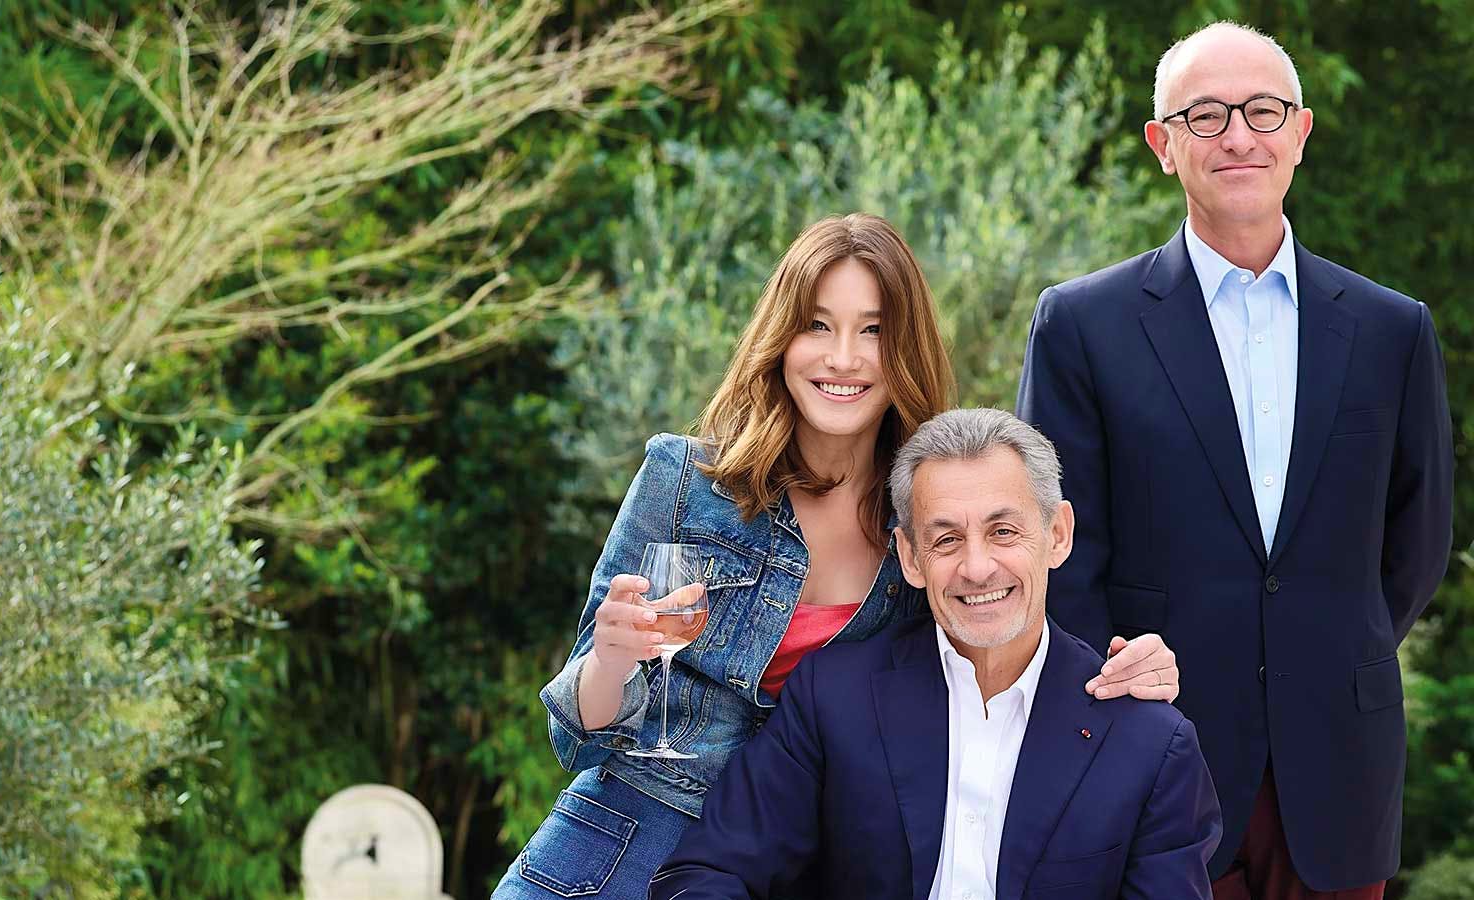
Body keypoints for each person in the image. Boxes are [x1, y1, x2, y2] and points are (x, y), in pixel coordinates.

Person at [495, 216, 1180, 899]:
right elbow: (576, 740)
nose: (843, 358)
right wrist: (612, 659)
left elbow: (1009, 641)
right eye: (818, 326)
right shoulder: (684, 480)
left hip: (789, 864)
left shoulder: (927, 524)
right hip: (616, 850)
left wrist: (1133, 671)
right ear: (781, 338)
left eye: (873, 330)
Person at [1016, 22, 1453, 900]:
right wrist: (1118, 693)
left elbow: (1416, 544)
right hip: (1152, 756)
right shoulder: (1082, 325)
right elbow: (1059, 546)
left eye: (1264, 110)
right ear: (1163, 145)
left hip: (1339, 769)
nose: (1239, 136)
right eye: (1206, 115)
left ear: (1301, 132)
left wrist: (1327, 646)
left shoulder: (1390, 330)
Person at [650, 408, 1221, 900]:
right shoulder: (834, 698)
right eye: (946, 539)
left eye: (1003, 532)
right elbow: (706, 872)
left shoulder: (1151, 743)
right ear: (910, 556)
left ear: (1058, 534)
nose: (976, 567)